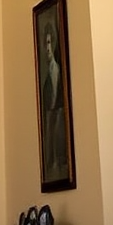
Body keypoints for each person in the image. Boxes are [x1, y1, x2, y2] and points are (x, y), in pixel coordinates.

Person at [41, 23, 68, 179]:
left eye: (50, 43)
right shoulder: (48, 73)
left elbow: (54, 104)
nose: (47, 49)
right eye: (45, 44)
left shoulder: (55, 70)